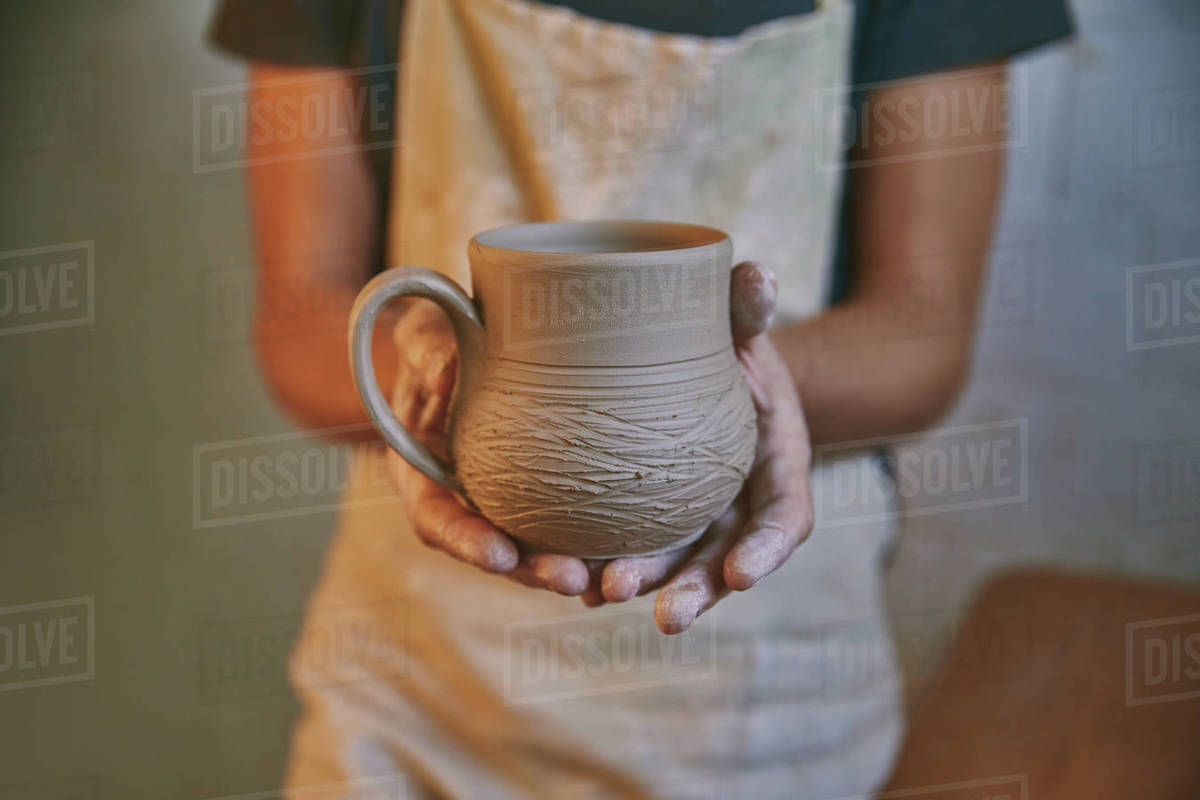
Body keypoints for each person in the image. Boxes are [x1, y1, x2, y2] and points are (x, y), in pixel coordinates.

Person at [210, 1, 1072, 797]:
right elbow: (300, 314)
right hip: (417, 697)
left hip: (763, 697)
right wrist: (424, 376)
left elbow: (923, 325)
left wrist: (744, 382)